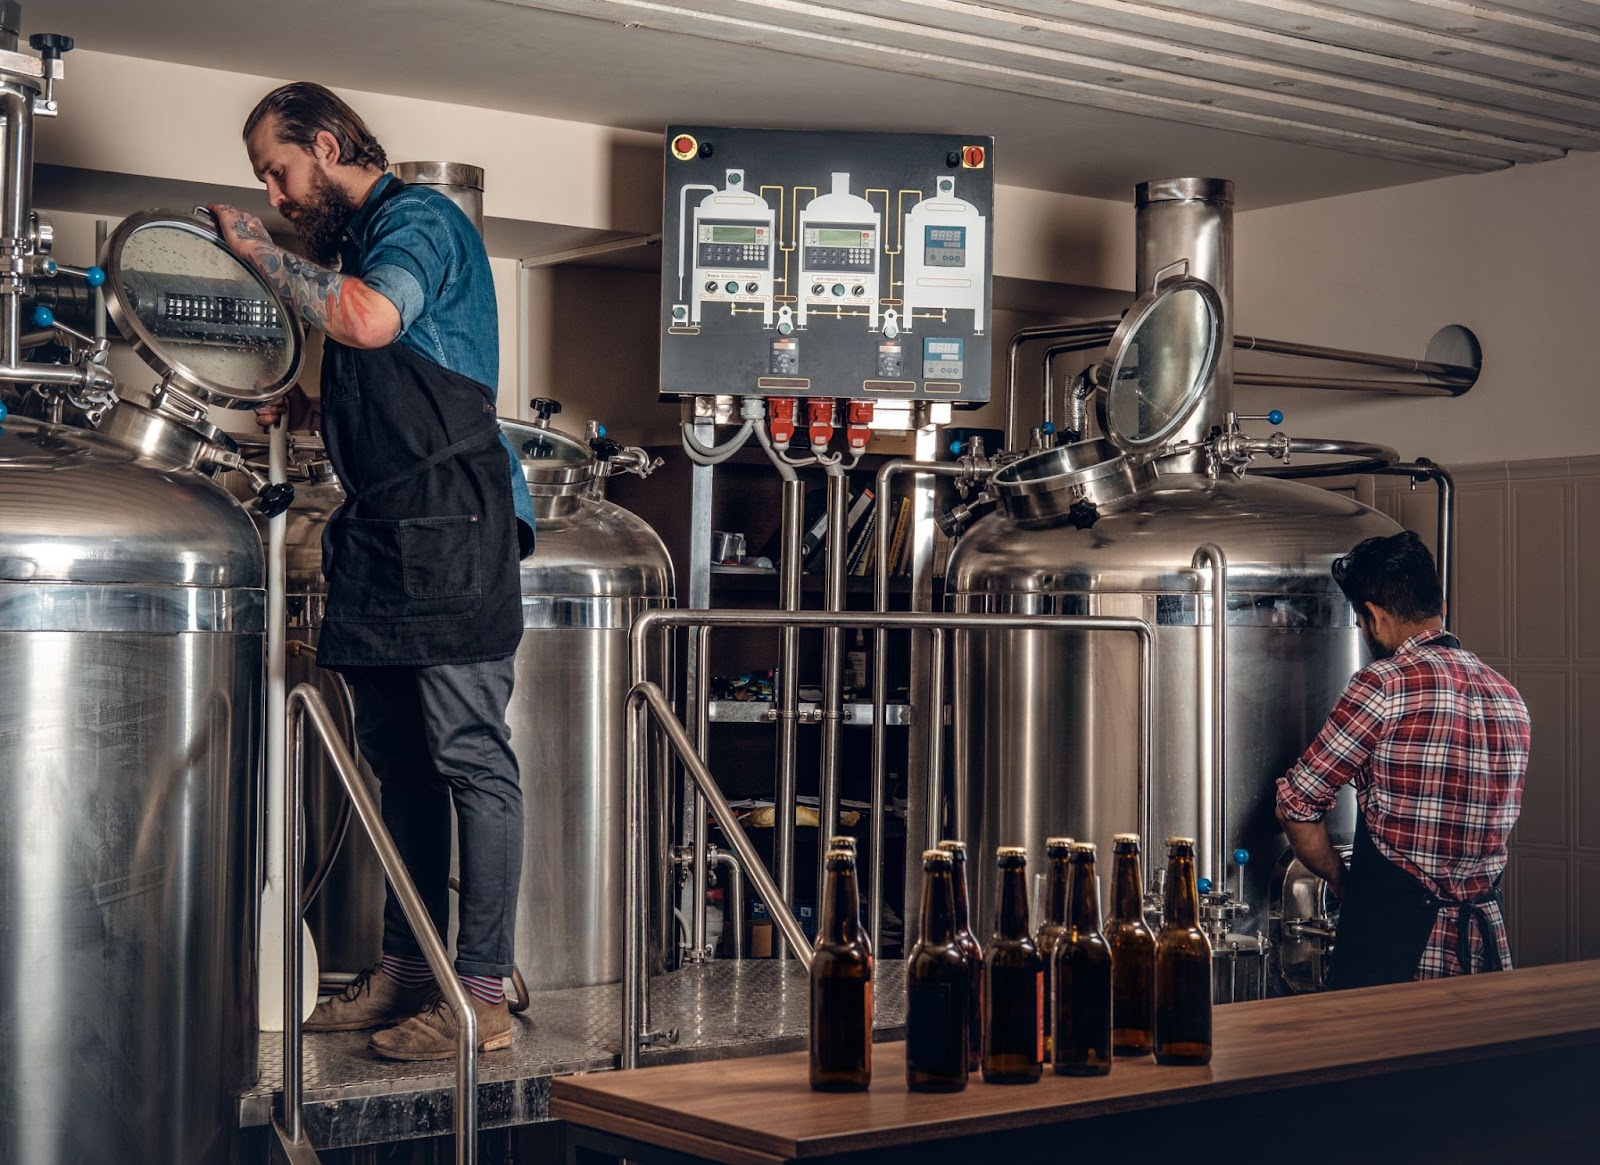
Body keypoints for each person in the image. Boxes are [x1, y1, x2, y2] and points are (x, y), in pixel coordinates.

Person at [211, 82, 536, 1061]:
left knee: (470, 758)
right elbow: (387, 368)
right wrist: (314, 414)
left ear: (325, 140)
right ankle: (408, 969)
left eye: (278, 167)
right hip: (389, 529)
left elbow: (370, 321)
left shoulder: (419, 221)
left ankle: (479, 993)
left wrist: (259, 255)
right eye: (265, 182)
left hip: (454, 524)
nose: (275, 189)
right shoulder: (354, 250)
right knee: (400, 766)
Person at [1276, 531, 1529, 989]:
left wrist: (1339, 877)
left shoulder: (1384, 685)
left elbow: (1297, 804)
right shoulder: (1507, 695)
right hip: (1485, 956)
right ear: (1441, 605)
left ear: (1372, 616)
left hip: (1395, 958)